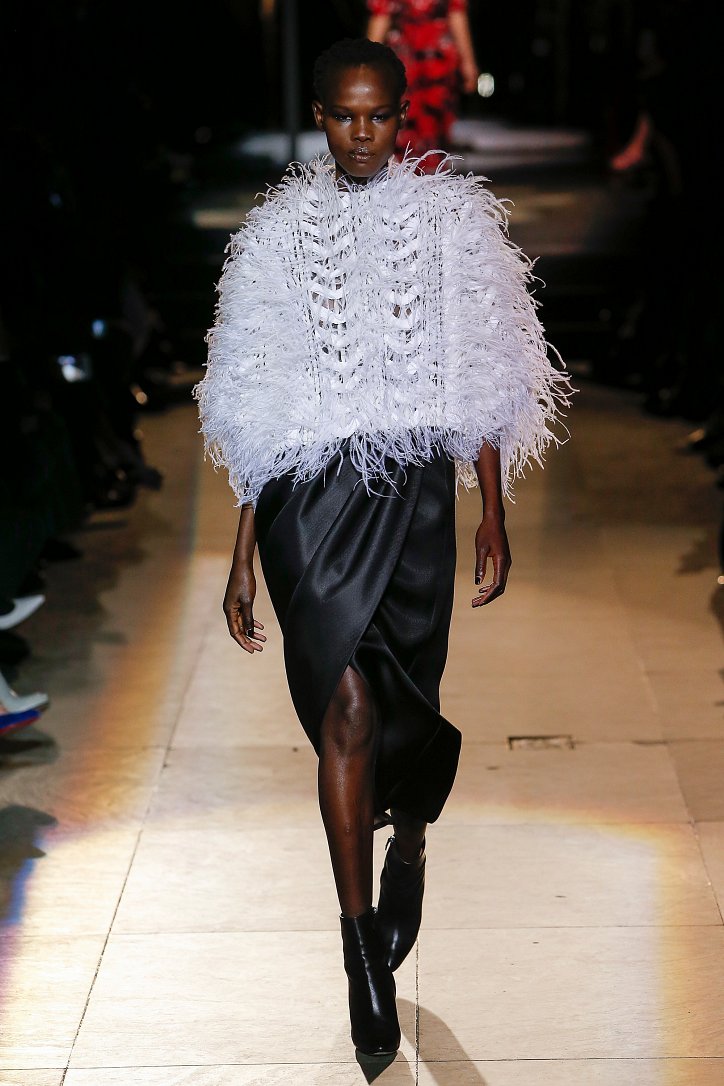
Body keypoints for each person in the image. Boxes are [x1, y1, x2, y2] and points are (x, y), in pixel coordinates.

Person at [195, 38, 570, 1058]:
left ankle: (408, 835)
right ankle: (359, 947)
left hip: (410, 499)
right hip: (306, 500)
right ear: (320, 116)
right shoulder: (276, 235)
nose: (361, 134)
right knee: (348, 708)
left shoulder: (450, 223)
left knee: (402, 693)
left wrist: (492, 508)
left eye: (379, 116)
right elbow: (254, 395)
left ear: (404, 117)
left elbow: (485, 366)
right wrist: (242, 548)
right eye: (344, 115)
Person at [366, 0, 479, 171]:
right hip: (404, 62)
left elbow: (456, 13)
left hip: (437, 64)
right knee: (402, 122)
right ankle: (402, 178)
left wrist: (468, 62)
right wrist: (367, 65)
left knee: (434, 124)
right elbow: (381, 15)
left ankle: (431, 177)